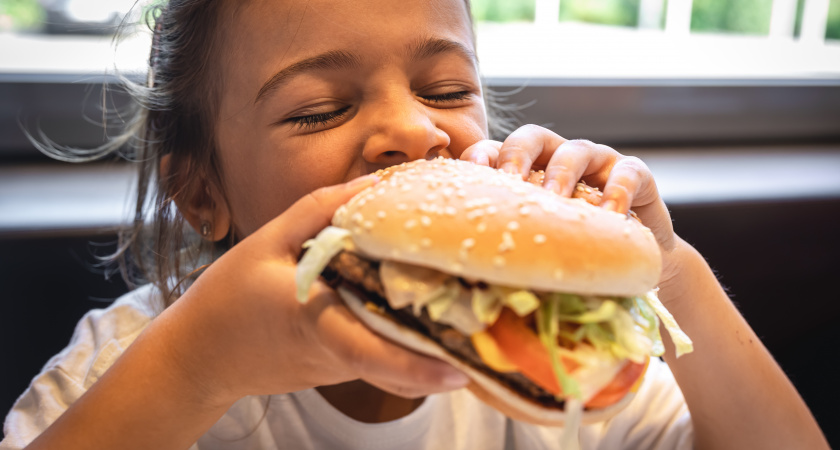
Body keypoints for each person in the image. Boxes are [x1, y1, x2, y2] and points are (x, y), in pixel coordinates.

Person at [1, 0, 829, 449]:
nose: (417, 130)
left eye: (444, 91)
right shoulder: (122, 367)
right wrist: (194, 366)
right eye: (322, 108)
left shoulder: (553, 349)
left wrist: (664, 265)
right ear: (202, 192)